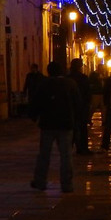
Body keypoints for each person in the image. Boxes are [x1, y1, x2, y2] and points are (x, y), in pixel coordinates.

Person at [28, 61, 79, 193]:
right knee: (66, 155)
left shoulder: (44, 84)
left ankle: (40, 181)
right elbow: (78, 103)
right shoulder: (70, 84)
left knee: (44, 154)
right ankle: (67, 184)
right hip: (66, 124)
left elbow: (36, 101)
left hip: (48, 124)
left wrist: (33, 116)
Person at [68, 58, 93, 155]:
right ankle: (83, 148)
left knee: (72, 128)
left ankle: (69, 147)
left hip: (71, 107)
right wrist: (88, 104)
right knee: (82, 128)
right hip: (82, 106)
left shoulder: (68, 78)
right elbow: (87, 93)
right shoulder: (84, 78)